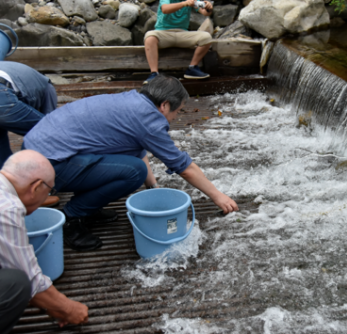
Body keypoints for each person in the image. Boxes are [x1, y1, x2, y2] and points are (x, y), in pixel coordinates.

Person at [24, 75, 238, 251]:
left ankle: (89, 206)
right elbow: (184, 167)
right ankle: (73, 216)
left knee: (132, 165)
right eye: (178, 110)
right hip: (47, 167)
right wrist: (218, 196)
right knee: (133, 172)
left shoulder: (132, 101)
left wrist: (153, 188)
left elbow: (136, 147)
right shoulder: (149, 120)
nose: (176, 116)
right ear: (164, 105)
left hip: (35, 152)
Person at [0, 150, 88, 333]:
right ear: (36, 187)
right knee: (16, 283)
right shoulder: (7, 207)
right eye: (49, 190)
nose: (49, 195)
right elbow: (31, 281)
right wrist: (68, 309)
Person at [0, 61, 60, 207]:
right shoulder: (44, 87)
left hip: (6, 89)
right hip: (3, 94)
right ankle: (34, 192)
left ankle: (10, 190)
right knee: (52, 135)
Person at [143, 0, 214, 83]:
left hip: (182, 33)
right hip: (163, 32)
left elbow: (205, 12)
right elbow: (165, 9)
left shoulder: (191, 1)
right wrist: (185, 3)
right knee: (149, 37)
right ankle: (154, 73)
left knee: (206, 37)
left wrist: (208, 8)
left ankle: (192, 68)